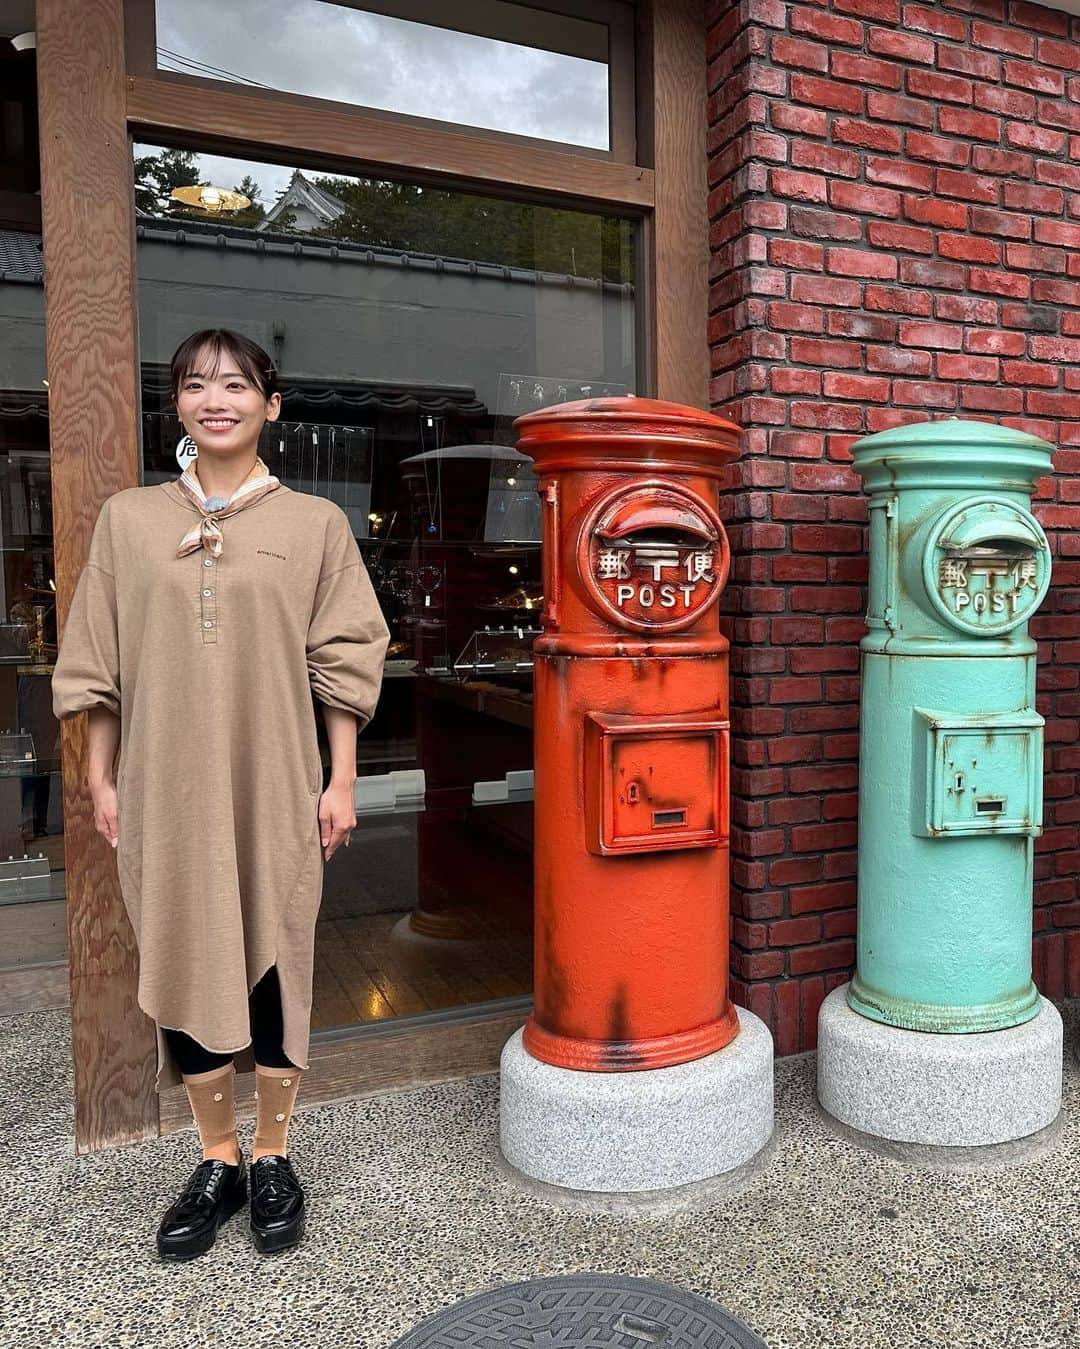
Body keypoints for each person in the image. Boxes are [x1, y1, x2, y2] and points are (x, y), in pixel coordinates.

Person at [52, 329, 389, 1260]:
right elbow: (101, 656)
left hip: (277, 777)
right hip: (166, 785)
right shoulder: (128, 520)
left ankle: (274, 1152)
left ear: (270, 406)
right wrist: (99, 770)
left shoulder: (314, 525)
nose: (217, 398)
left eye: (236, 384)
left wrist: (342, 777)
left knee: (278, 951)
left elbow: (345, 658)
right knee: (185, 947)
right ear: (179, 406)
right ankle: (217, 1157)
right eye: (197, 384)